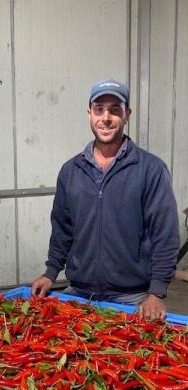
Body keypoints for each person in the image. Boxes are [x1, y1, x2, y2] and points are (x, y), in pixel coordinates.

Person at [31, 79, 180, 320]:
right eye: (99, 109)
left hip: (132, 295)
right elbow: (62, 229)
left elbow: (165, 234)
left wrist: (157, 292)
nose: (106, 118)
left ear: (127, 114)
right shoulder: (71, 171)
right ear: (89, 113)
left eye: (114, 109)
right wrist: (50, 272)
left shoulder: (150, 169)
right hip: (79, 292)